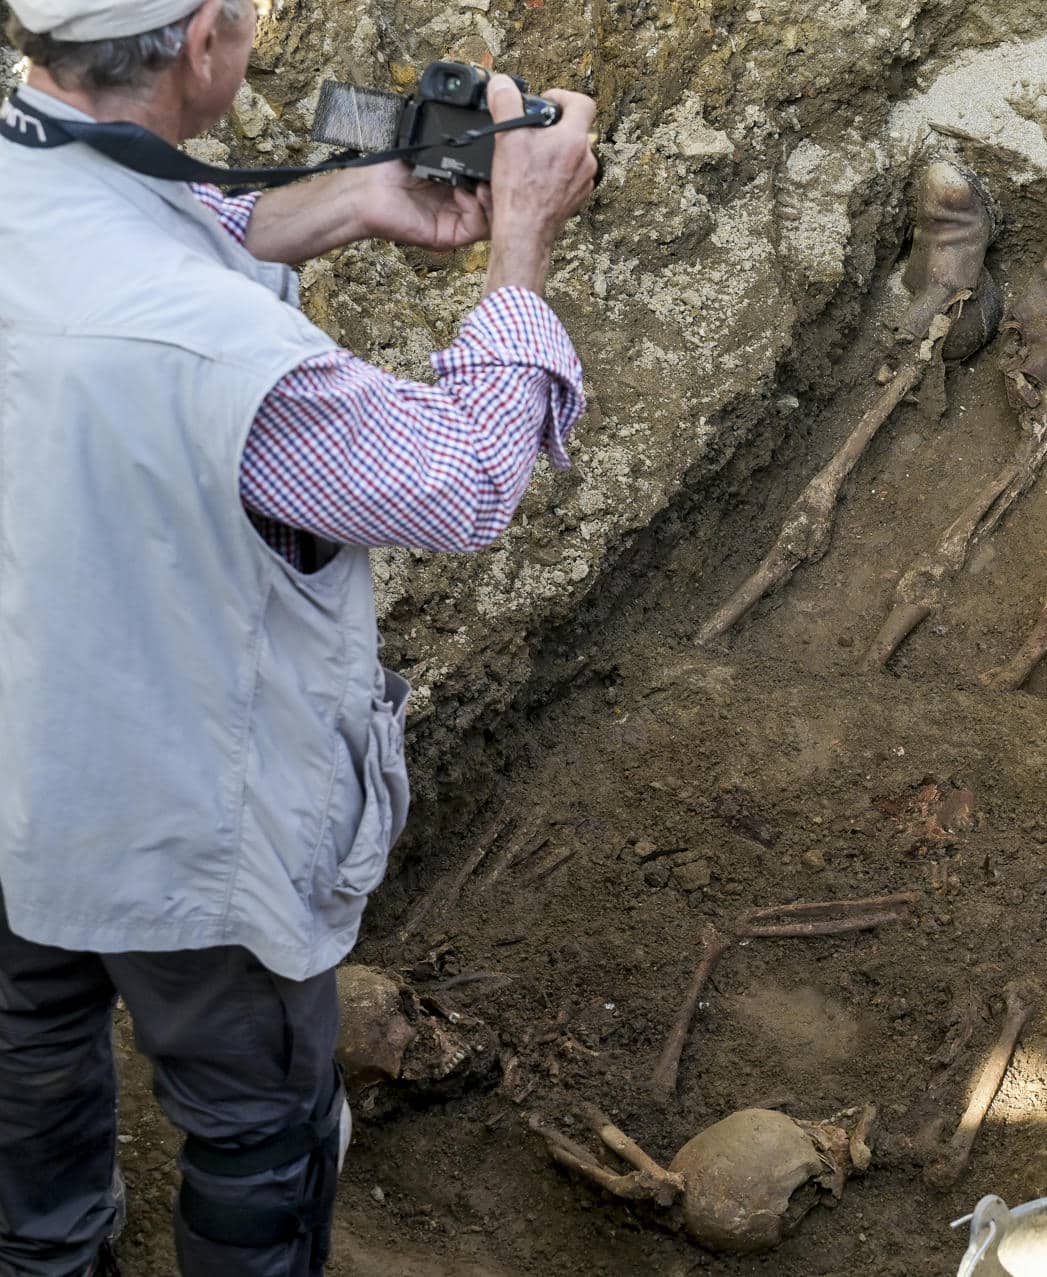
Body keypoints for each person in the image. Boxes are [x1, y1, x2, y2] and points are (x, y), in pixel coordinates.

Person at [0, 1, 597, 1273]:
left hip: (17, 770)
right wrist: (522, 247)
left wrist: (340, 201)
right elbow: (457, 480)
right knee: (257, 1128)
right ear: (204, 37)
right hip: (184, 828)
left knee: (25, 1076)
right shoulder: (224, 354)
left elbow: (105, 242)